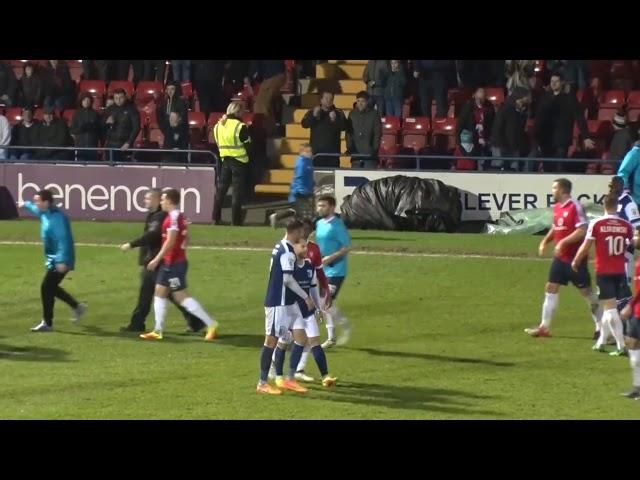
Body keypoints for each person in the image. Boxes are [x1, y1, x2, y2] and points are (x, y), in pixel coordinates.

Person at [119, 189, 205, 333]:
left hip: (156, 262)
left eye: (148, 199)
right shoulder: (155, 216)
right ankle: (196, 322)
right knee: (171, 293)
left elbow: (152, 236)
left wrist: (131, 244)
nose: (145, 201)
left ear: (157, 200)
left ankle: (137, 324)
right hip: (158, 261)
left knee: (148, 294)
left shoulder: (159, 217)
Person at [525, 178, 602, 338]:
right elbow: (556, 226)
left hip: (576, 259)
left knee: (587, 292)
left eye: (554, 188)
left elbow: (582, 230)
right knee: (551, 287)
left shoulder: (575, 207)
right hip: (560, 259)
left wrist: (563, 242)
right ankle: (544, 328)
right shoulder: (558, 207)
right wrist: (545, 241)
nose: (552, 191)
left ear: (562, 190)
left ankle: (601, 328)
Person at [139, 188, 219, 341]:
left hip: (173, 264)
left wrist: (157, 259)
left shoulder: (173, 218)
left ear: (169, 200)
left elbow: (170, 241)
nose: (161, 202)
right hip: (173, 262)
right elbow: (186, 238)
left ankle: (211, 324)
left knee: (181, 297)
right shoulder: (178, 216)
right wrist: (182, 248)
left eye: (163, 199)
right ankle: (158, 330)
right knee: (159, 292)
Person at [257, 219, 315, 395]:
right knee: (271, 341)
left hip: (289, 303)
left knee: (301, 337)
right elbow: (287, 280)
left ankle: (289, 379)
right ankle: (262, 382)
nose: (303, 236)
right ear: (295, 232)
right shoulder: (287, 252)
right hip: (278, 303)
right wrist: (306, 297)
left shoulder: (279, 247)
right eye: (301, 232)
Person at [269, 238, 338, 387]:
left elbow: (313, 289)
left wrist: (319, 309)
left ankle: (325, 376)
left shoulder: (309, 268)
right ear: (294, 248)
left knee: (315, 342)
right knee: (284, 342)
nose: (306, 250)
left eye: (307, 247)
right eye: (302, 247)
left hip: (307, 312)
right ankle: (280, 376)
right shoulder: (288, 268)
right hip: (290, 312)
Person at [18, 189, 87, 332]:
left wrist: (61, 261)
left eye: (38, 201)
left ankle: (47, 323)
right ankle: (77, 307)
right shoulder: (44, 212)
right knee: (51, 287)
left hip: (62, 258)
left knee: (46, 287)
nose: (36, 203)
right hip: (53, 258)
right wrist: (26, 204)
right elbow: (35, 209)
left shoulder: (57, 218)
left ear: (46, 202)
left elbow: (64, 241)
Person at [572, 194, 632, 356]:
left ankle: (621, 345)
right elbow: (631, 245)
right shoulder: (626, 225)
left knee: (611, 310)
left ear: (603, 205)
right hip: (620, 271)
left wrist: (576, 261)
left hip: (604, 271)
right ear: (617, 206)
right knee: (607, 309)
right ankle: (601, 343)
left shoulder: (596, 223)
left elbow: (586, 246)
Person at [534, 73, 594, 171]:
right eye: (552, 81)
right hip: (545, 139)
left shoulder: (569, 98)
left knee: (559, 167)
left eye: (556, 81)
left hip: (562, 139)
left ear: (562, 83)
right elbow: (539, 118)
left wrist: (586, 137)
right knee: (547, 168)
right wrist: (537, 138)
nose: (553, 84)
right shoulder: (544, 98)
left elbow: (579, 117)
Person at [315, 195, 353, 348]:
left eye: (323, 206)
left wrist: (331, 257)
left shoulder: (338, 225)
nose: (320, 209)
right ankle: (332, 337)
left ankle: (344, 328)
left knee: (325, 301)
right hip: (322, 268)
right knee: (323, 303)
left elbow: (347, 246)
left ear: (332, 207)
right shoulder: (319, 224)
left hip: (337, 269)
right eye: (319, 206)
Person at [211, 101, 251, 226]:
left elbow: (217, 143)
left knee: (221, 191)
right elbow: (248, 144)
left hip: (225, 161)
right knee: (236, 192)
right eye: (242, 111)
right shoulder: (240, 126)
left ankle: (215, 218)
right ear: (238, 112)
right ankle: (235, 221)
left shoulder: (218, 125)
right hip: (239, 161)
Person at [269, 143, 315, 227]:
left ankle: (277, 217)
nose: (310, 153)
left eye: (310, 151)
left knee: (296, 210)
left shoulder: (308, 162)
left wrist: (312, 185)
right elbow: (299, 178)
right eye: (307, 151)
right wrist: (301, 190)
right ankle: (299, 228)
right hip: (299, 191)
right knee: (300, 211)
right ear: (301, 152)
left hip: (305, 190)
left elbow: (309, 177)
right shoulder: (301, 163)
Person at [301, 91, 347, 168]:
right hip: (317, 154)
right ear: (321, 100)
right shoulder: (313, 111)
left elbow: (345, 127)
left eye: (331, 99)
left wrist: (335, 120)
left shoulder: (338, 112)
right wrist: (314, 116)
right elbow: (304, 124)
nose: (329, 100)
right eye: (326, 98)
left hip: (333, 154)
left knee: (331, 178)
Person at [491, 87, 532, 171]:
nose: (529, 99)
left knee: (513, 170)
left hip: (514, 147)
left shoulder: (523, 111)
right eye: (527, 97)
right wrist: (502, 145)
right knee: (500, 170)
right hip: (503, 147)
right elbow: (498, 128)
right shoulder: (505, 109)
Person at [620, 249, 640, 399]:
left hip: (637, 311)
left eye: (638, 235)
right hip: (637, 312)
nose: (635, 238)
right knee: (632, 346)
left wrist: (629, 305)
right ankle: (637, 388)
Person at [457, 87, 495, 162]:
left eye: (482, 98)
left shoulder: (490, 108)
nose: (480, 100)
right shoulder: (467, 108)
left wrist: (487, 139)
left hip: (486, 140)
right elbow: (460, 126)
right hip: (471, 140)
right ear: (474, 96)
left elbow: (493, 125)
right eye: (478, 98)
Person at [102, 88, 141, 162]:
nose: (118, 100)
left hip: (124, 145)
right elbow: (101, 124)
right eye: (116, 98)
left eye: (121, 98)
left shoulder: (132, 110)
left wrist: (129, 142)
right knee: (109, 170)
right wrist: (106, 122)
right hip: (110, 145)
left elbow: (136, 127)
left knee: (124, 171)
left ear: (125, 97)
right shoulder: (110, 109)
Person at [347, 91, 382, 169]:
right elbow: (349, 132)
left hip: (370, 157)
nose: (360, 103)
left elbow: (377, 133)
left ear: (367, 102)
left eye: (362, 101)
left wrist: (374, 149)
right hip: (356, 157)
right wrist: (349, 147)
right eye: (358, 101)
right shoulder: (352, 113)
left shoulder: (374, 114)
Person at [70, 93, 101, 161]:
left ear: (91, 101)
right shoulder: (76, 113)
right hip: (80, 145)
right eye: (84, 100)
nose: (86, 102)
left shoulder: (95, 114)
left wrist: (92, 127)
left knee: (92, 166)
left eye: (88, 100)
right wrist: (82, 128)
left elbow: (99, 129)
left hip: (92, 144)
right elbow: (73, 129)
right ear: (81, 101)